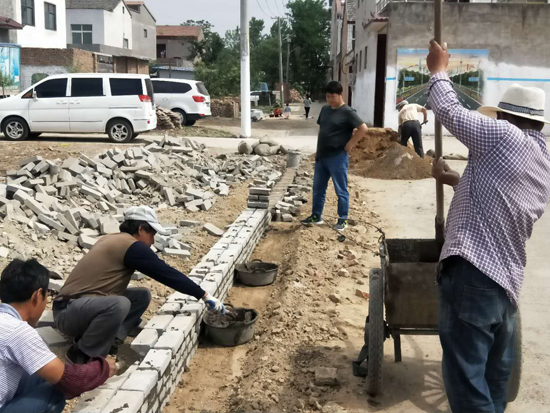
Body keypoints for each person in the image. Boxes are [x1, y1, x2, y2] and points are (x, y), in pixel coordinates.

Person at [427, 39, 550, 413]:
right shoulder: (542, 158)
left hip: (473, 274)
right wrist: (453, 180)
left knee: (467, 385)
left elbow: (448, 109)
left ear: (507, 118)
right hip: (505, 285)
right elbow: (500, 199)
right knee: (494, 383)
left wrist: (438, 69)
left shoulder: (503, 135)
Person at [53, 206, 225, 364]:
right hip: (67, 313)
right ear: (141, 229)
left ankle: (112, 341)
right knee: (120, 304)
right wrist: (203, 295)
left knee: (141, 296)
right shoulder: (132, 246)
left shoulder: (113, 239)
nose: (153, 241)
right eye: (152, 234)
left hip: (81, 306)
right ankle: (81, 353)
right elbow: (166, 274)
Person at [0, 259, 116, 413]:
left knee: (38, 373)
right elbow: (70, 381)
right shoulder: (18, 331)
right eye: (46, 296)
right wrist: (104, 369)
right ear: (37, 296)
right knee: (54, 394)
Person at [301, 81, 368, 231]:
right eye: (328, 96)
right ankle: (316, 216)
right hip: (322, 156)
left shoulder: (348, 112)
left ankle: (342, 219)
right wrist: (317, 151)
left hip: (337, 157)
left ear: (340, 95)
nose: (330, 99)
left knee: (340, 190)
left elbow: (363, 128)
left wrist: (350, 145)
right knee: (318, 188)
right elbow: (322, 131)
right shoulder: (325, 110)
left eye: (333, 96)